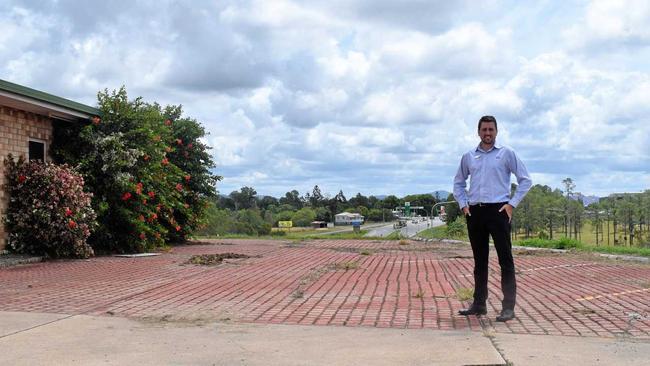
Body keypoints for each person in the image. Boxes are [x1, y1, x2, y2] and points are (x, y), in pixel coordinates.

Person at [453, 115, 532, 322]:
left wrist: (512, 204)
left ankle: (508, 307)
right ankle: (479, 304)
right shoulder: (469, 157)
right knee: (480, 262)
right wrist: (463, 205)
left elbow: (525, 180)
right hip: (475, 212)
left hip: (499, 211)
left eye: (491, 130)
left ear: (496, 131)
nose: (487, 133)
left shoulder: (506, 154)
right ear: (478, 132)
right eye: (484, 130)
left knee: (505, 260)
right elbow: (458, 183)